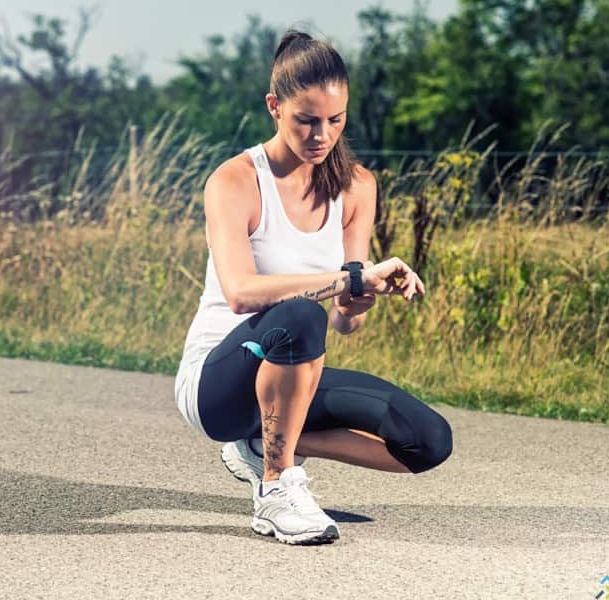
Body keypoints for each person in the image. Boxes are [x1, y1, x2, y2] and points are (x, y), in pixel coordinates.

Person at [175, 30, 453, 546]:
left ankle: (262, 444)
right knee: (301, 315)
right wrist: (345, 280)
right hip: (218, 384)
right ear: (275, 107)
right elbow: (240, 292)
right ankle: (276, 490)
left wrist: (359, 297)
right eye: (306, 119)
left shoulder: (356, 186)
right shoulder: (235, 180)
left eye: (336, 119)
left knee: (427, 442)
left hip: (294, 370)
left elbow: (347, 319)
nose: (321, 135)